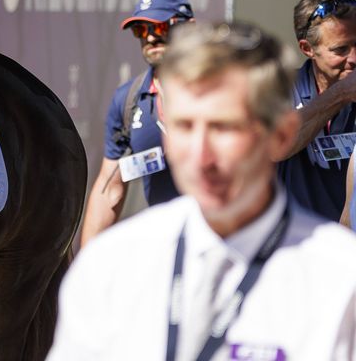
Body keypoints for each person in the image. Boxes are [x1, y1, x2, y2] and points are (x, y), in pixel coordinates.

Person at [48, 22, 356, 361]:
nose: (200, 156)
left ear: (281, 134)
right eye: (184, 126)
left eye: (224, 128)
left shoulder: (339, 276)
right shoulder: (112, 265)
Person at [80, 0, 193, 248]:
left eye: (161, 26)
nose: (151, 36)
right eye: (141, 30)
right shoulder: (128, 99)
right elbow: (109, 188)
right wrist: (85, 267)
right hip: (165, 249)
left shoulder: (220, 91)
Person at [274, 0, 356, 221]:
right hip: (295, 246)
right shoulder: (283, 90)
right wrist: (341, 94)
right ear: (307, 48)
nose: (353, 58)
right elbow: (275, 146)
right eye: (341, 49)